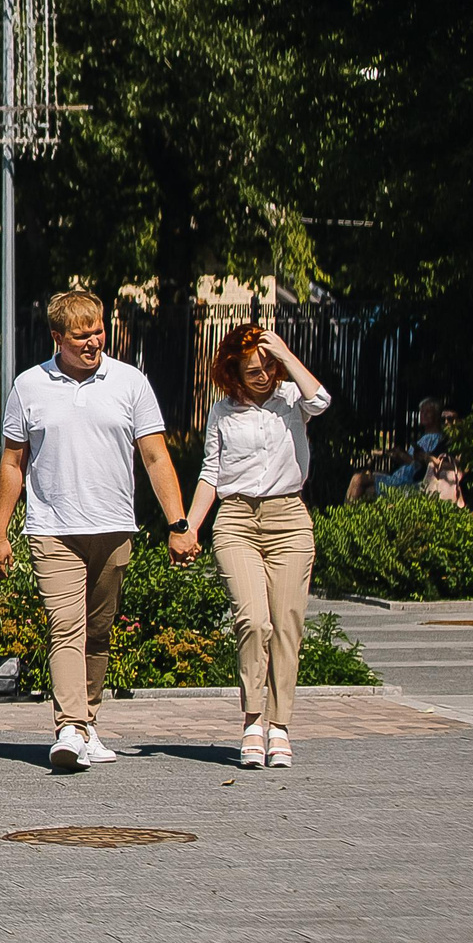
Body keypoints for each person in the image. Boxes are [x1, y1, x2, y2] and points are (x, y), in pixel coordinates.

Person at [0, 290, 193, 773]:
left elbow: (156, 456)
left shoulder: (129, 382)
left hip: (113, 525)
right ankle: (68, 727)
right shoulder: (29, 386)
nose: (93, 342)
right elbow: (13, 464)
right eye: (81, 336)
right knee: (67, 629)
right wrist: (0, 533)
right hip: (53, 529)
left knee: (98, 633)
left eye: (99, 331)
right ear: (57, 337)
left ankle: (89, 721)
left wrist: (179, 523)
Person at [182, 325, 330, 769]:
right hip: (237, 520)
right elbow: (211, 473)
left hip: (289, 519)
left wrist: (283, 352)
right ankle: (252, 721)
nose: (263, 374)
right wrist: (188, 527)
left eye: (269, 366)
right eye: (253, 368)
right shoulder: (223, 412)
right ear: (234, 371)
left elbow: (320, 401)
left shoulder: (292, 403)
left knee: (287, 624)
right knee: (252, 620)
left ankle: (280, 727)